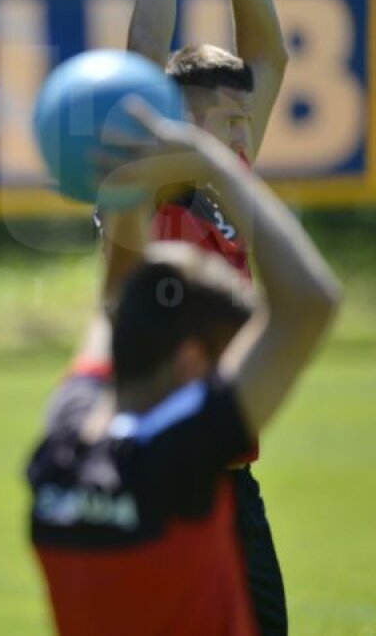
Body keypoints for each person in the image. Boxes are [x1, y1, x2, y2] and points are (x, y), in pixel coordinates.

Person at [28, 97, 340, 636]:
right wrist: (212, 161)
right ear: (192, 362)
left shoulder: (64, 435)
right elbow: (311, 302)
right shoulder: (181, 456)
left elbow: (116, 296)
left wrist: (128, 182)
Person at [91, 0, 292, 633]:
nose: (244, 138)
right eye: (225, 124)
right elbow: (145, 61)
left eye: (246, 124)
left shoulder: (227, 198)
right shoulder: (143, 198)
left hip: (232, 485)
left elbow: (269, 56)